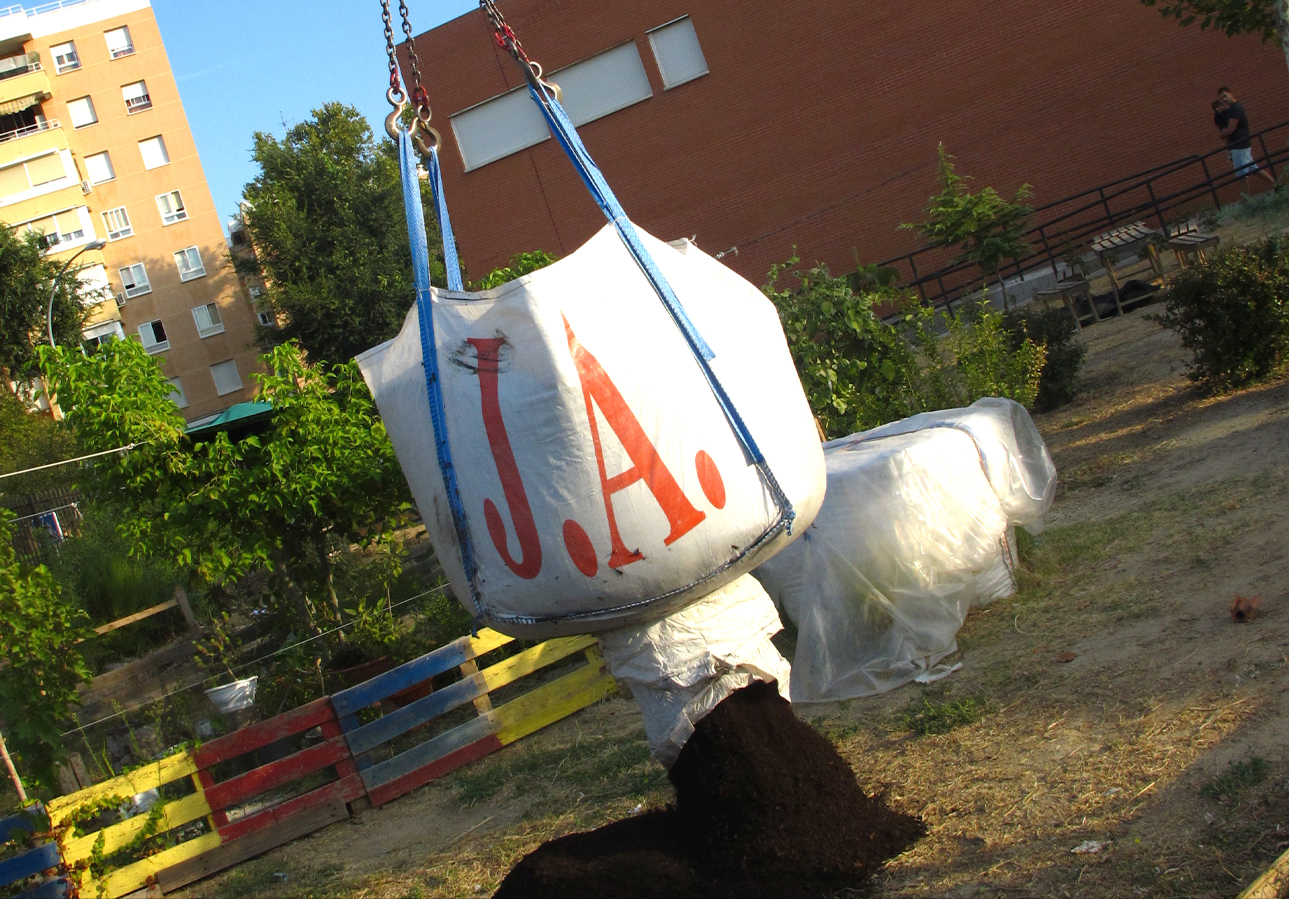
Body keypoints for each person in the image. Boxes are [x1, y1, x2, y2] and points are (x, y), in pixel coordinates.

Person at [1214, 87, 1276, 192]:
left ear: (1231, 94)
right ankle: (1276, 185)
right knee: (1253, 169)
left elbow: (1230, 129)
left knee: (1242, 175)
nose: (1224, 99)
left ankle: (1246, 201)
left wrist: (1222, 134)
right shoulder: (1231, 109)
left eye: (1225, 96)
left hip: (1239, 145)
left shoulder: (1235, 108)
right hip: (1240, 145)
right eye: (1221, 98)